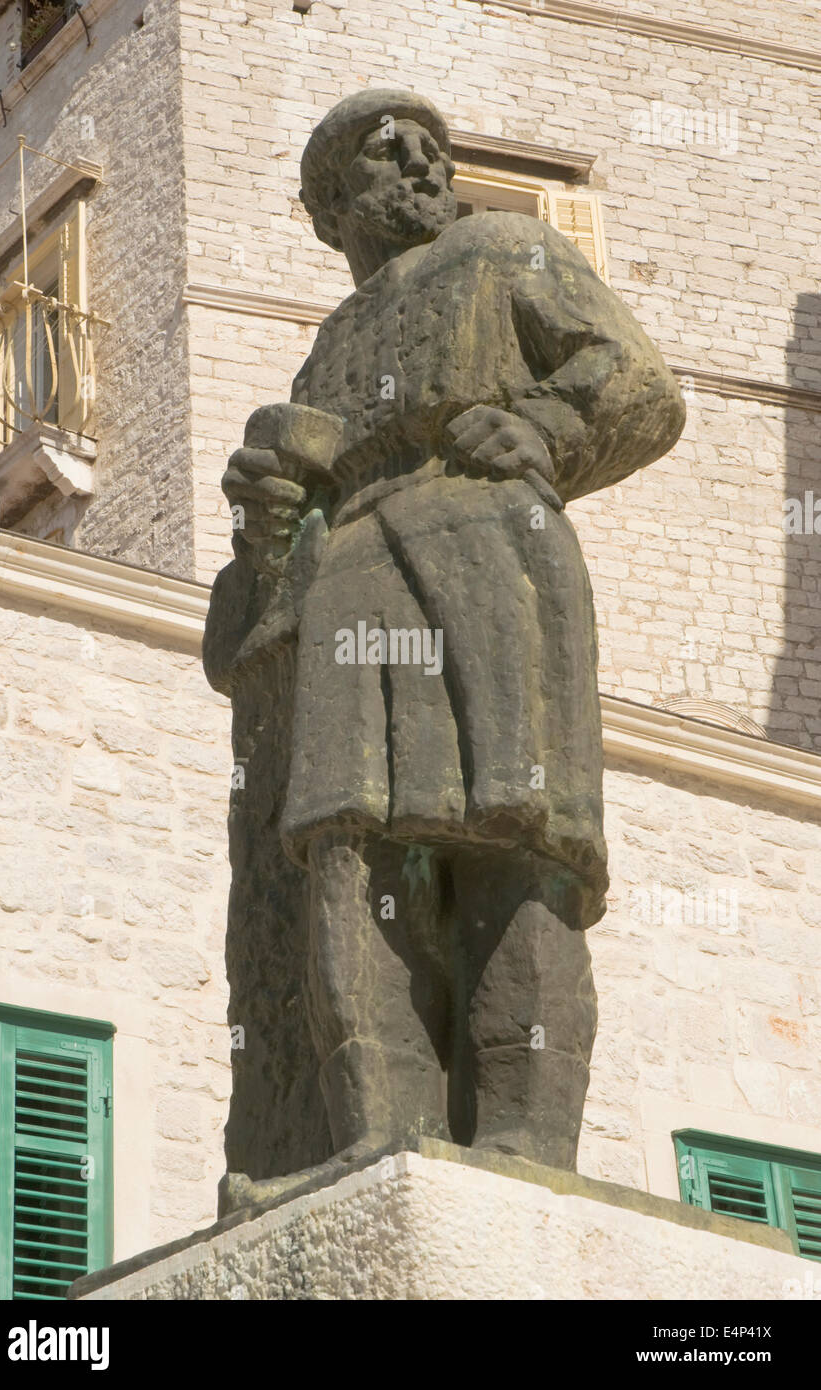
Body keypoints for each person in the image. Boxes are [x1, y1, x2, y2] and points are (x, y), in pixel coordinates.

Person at [213, 89, 685, 1187]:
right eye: (390, 160)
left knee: (517, 842)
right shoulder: (322, 354)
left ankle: (524, 1142)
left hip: (491, 548)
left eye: (431, 155)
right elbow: (250, 614)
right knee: (349, 848)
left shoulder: (505, 249)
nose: (424, 172)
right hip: (347, 589)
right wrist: (270, 522)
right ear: (332, 207)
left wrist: (543, 425)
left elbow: (641, 384)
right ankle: (380, 1132)